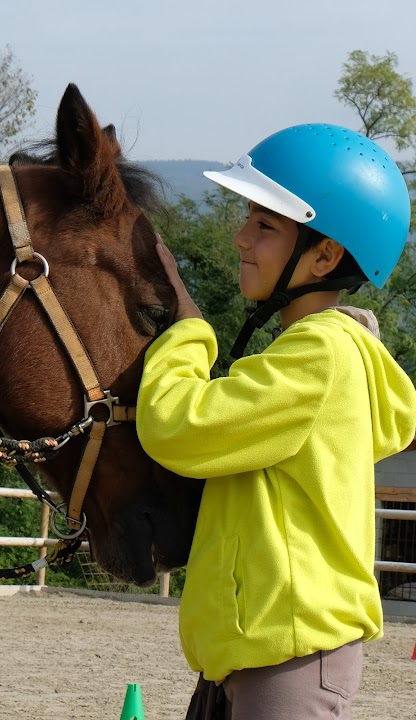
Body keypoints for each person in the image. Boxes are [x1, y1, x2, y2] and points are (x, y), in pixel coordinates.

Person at [135, 124, 416, 720]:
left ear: (325, 255)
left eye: (265, 225)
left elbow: (178, 425)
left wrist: (185, 330)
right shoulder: (311, 353)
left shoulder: (320, 356)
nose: (240, 238)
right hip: (254, 651)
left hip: (286, 657)